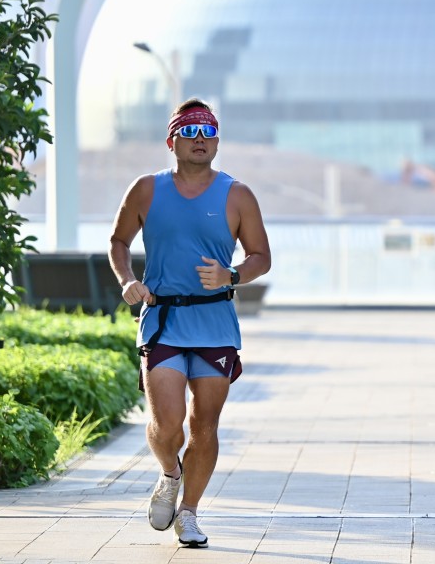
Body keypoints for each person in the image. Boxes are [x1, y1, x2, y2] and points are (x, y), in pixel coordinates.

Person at [109, 98, 271, 548]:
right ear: (172, 140)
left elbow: (262, 257)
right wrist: (127, 280)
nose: (200, 140)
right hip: (163, 319)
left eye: (208, 132)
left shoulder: (237, 195)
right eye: (191, 132)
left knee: (205, 428)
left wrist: (232, 275)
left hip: (215, 323)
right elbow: (118, 241)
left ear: (217, 141)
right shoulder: (146, 189)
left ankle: (191, 513)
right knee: (167, 426)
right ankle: (168, 472)